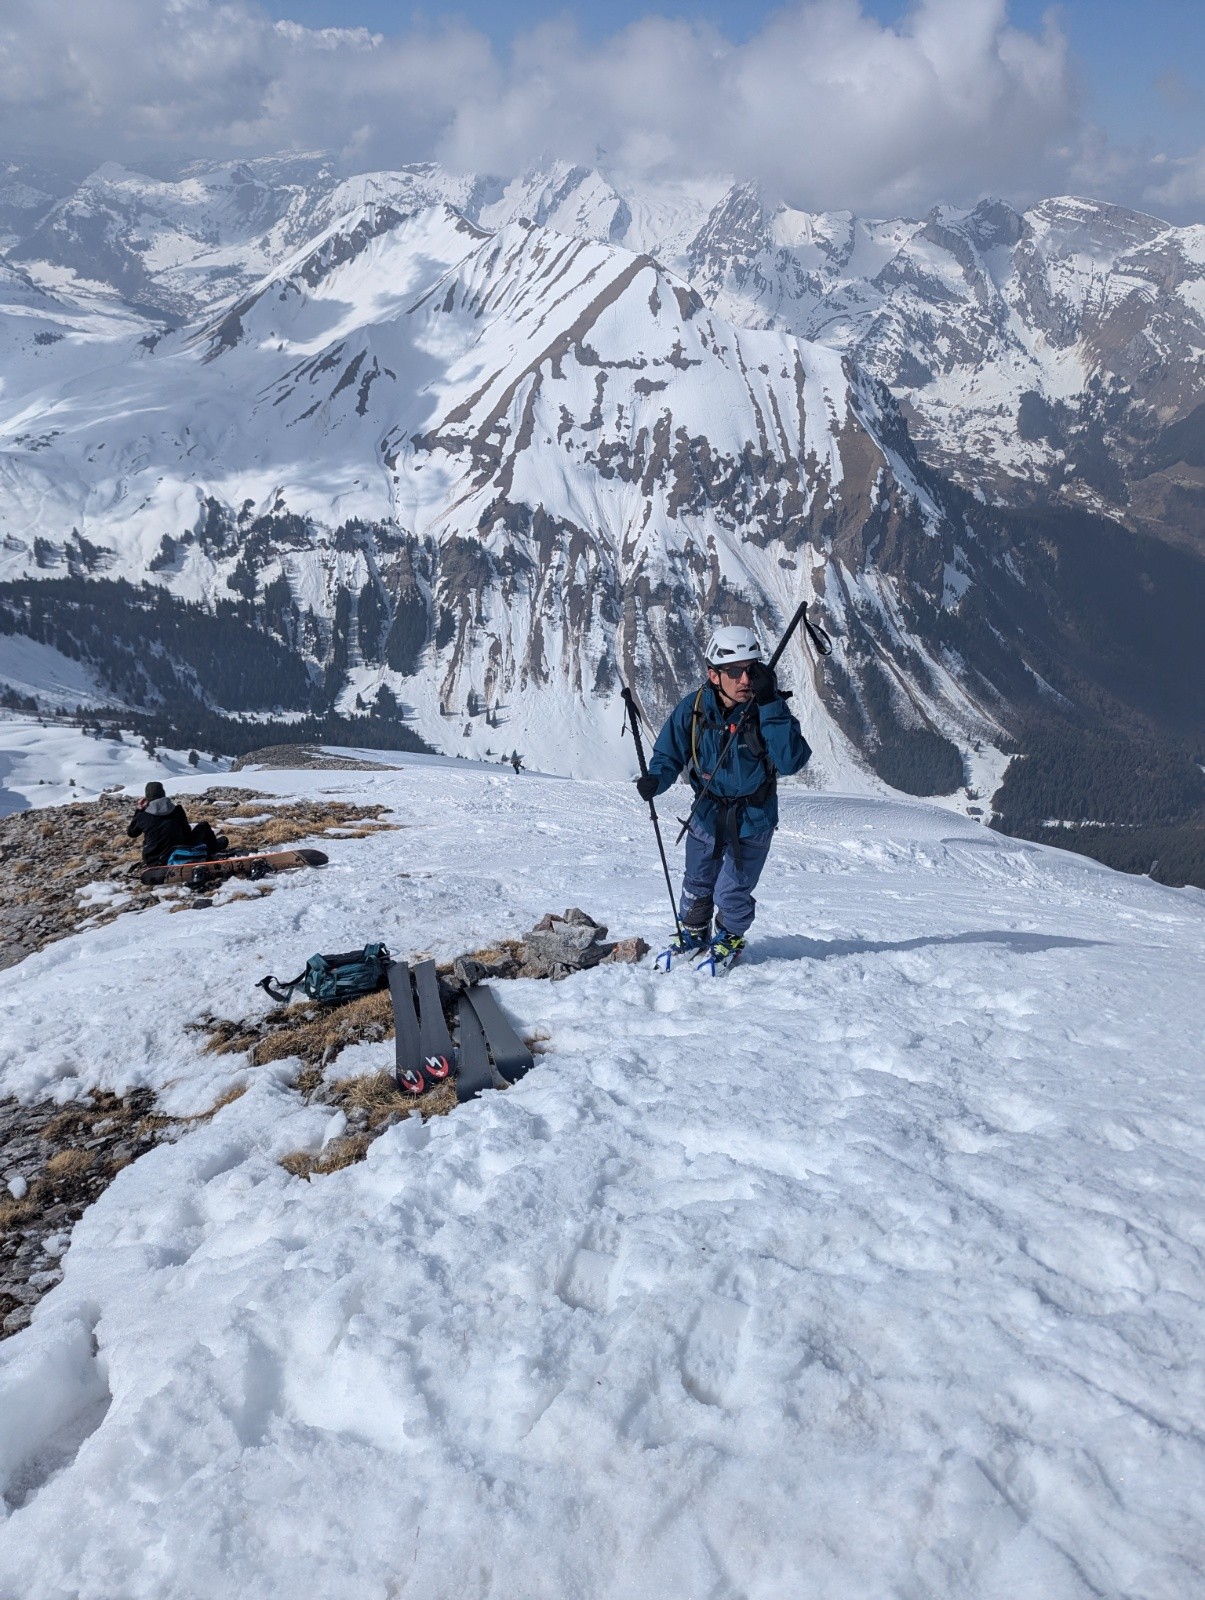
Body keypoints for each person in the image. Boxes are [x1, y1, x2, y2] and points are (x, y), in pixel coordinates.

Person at [635, 625, 811, 965]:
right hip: (706, 813)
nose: (745, 679)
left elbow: (791, 761)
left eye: (752, 669)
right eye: (734, 671)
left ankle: (730, 936)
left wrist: (772, 701)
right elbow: (669, 754)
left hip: (754, 818)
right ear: (713, 675)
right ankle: (693, 931)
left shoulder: (768, 711)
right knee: (697, 882)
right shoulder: (695, 708)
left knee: (731, 891)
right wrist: (656, 780)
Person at [126, 782, 228, 866]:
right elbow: (187, 833)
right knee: (204, 825)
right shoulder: (177, 810)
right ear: (163, 794)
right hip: (180, 853)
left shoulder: (143, 815)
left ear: (147, 798)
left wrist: (138, 810)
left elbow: (132, 833)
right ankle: (213, 848)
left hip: (153, 860)